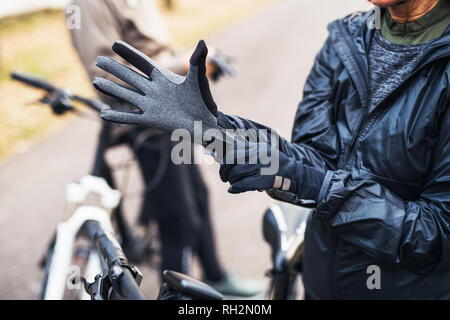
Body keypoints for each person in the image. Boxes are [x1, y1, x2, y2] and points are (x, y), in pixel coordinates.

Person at [91, 0, 450, 299]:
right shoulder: (346, 40)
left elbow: (436, 235)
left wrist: (320, 187)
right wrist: (216, 130)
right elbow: (316, 159)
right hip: (319, 284)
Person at [67, 0, 261, 297]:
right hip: (144, 120)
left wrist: (189, 67)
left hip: (169, 112)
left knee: (198, 196)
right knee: (178, 219)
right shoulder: (86, 5)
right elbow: (106, 76)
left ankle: (215, 276)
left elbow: (152, 50)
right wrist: (180, 66)